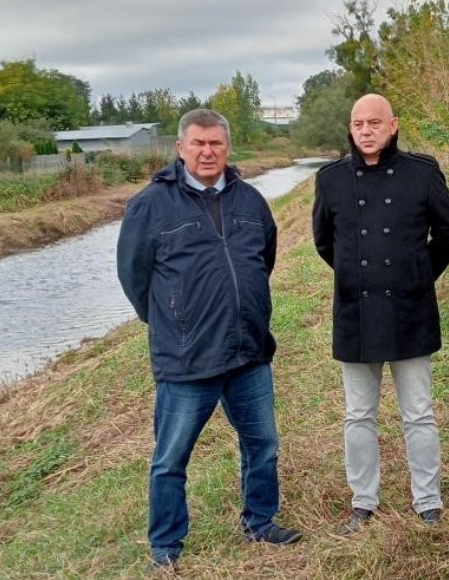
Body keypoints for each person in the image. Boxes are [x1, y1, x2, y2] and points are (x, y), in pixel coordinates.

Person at [117, 109, 301, 572]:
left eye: (215, 143)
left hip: (249, 352)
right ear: (180, 148)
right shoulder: (149, 206)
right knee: (170, 458)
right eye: (197, 143)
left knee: (263, 445)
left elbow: (263, 260)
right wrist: (172, 321)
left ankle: (260, 522)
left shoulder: (251, 201)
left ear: (227, 147)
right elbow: (134, 278)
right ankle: (166, 545)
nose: (207, 152)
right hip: (187, 359)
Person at [312, 94, 449, 534]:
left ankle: (428, 500)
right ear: (350, 127)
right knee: (358, 414)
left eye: (374, 123)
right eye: (358, 123)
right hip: (356, 312)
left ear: (393, 125)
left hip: (410, 309)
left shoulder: (422, 172)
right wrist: (355, 277)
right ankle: (363, 502)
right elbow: (325, 242)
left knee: (418, 412)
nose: (366, 131)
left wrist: (416, 275)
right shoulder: (331, 179)